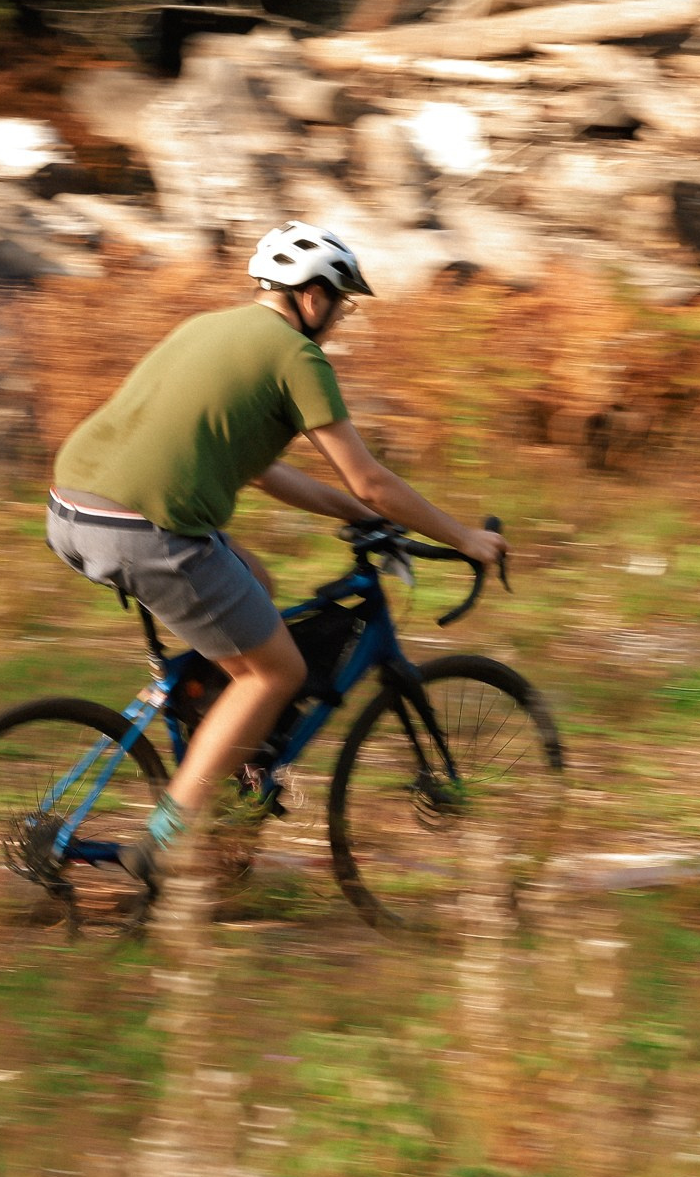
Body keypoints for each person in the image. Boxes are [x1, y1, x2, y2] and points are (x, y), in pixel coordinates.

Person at [46, 221, 508, 890]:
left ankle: (225, 748)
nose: (341, 318)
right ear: (312, 296)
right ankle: (166, 841)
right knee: (276, 672)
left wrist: (358, 515)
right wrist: (464, 537)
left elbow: (266, 473)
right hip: (142, 529)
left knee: (253, 583)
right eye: (341, 302)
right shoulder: (296, 356)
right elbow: (371, 479)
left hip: (72, 506)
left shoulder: (209, 327)